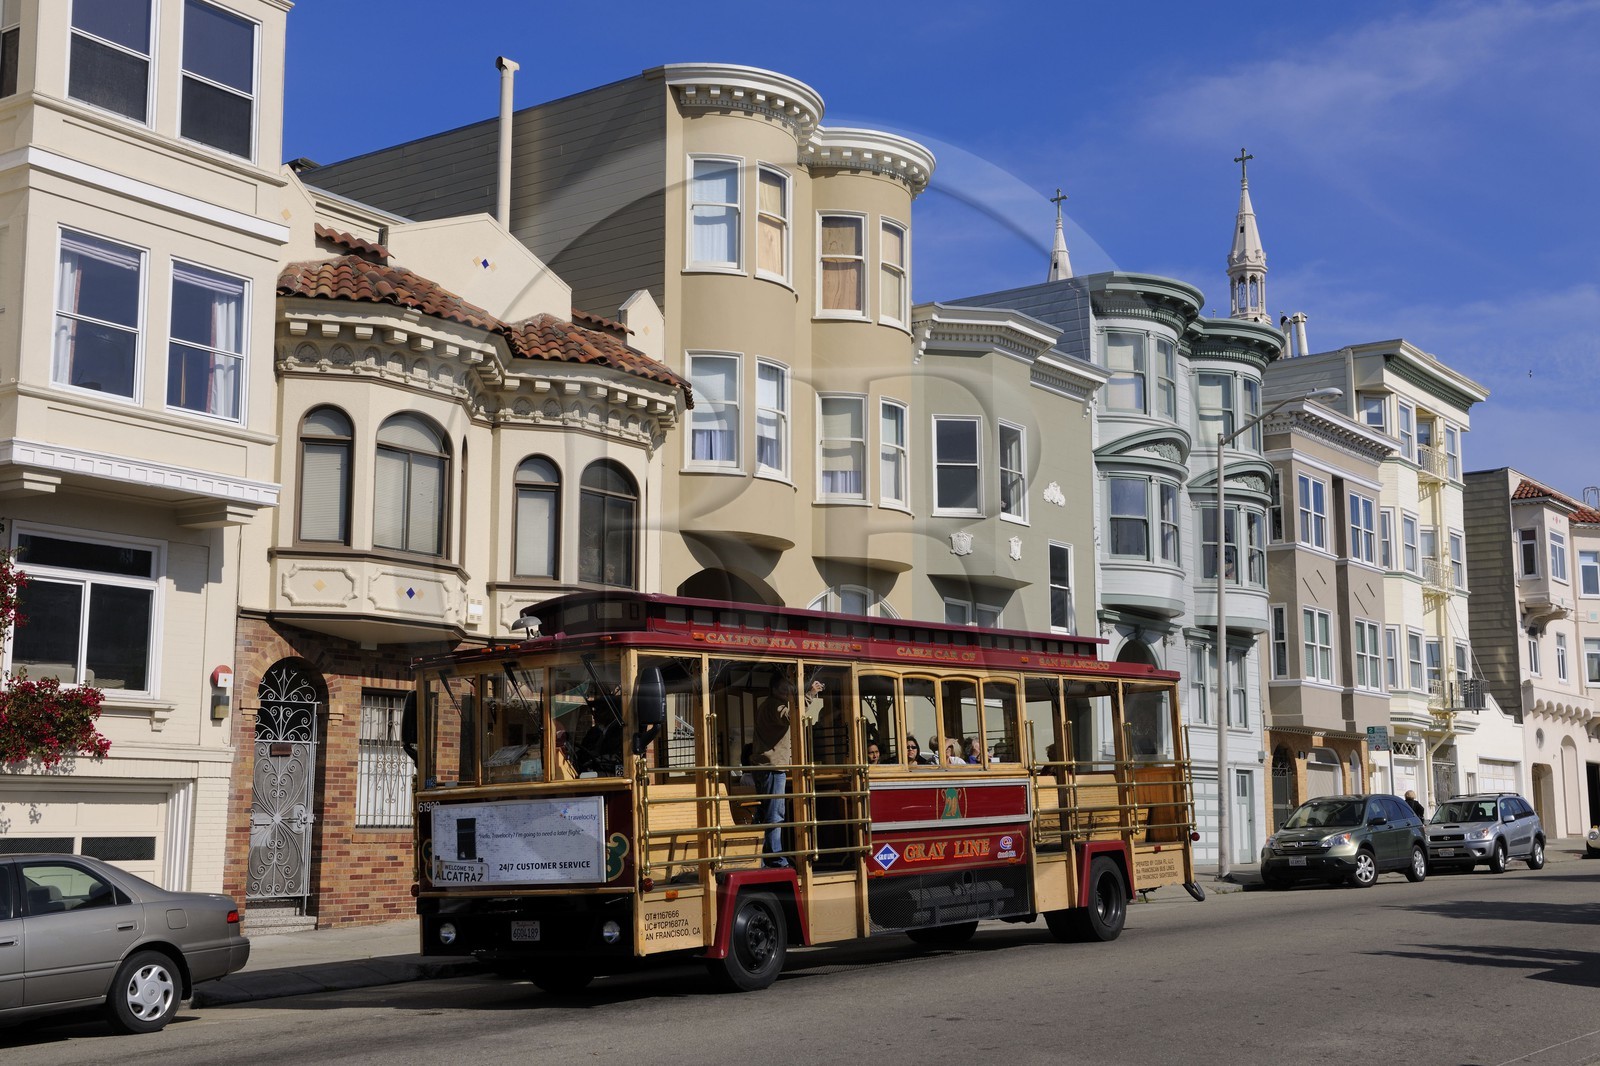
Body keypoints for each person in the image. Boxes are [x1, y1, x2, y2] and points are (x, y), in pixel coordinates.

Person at [750, 675, 824, 867]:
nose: (787, 692)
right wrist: (810, 695)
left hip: (767, 766)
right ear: (774, 689)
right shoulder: (774, 705)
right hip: (773, 767)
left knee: (767, 812)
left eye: (789, 689)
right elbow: (792, 716)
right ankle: (775, 858)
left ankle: (762, 857)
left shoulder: (767, 705)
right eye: (784, 689)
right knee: (775, 813)